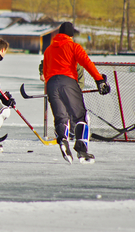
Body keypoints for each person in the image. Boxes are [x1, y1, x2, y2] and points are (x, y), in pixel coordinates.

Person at [43, 22, 110, 164]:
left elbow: (46, 72)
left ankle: (62, 140)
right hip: (68, 82)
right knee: (80, 117)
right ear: (71, 35)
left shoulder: (48, 50)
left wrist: (49, 90)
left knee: (61, 117)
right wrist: (99, 80)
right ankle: (82, 150)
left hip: (51, 85)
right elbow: (87, 63)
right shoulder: (74, 47)